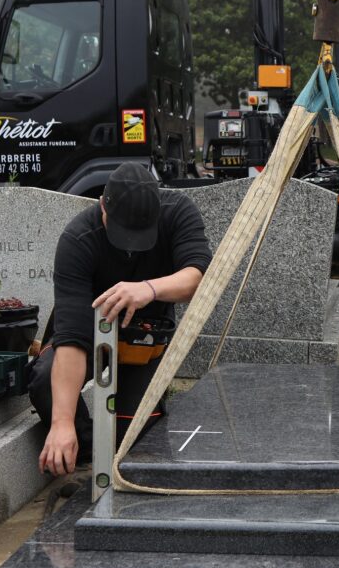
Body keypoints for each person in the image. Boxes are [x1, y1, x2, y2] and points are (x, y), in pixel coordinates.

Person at [31, 162, 212, 476]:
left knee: (134, 440)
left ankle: (116, 449)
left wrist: (148, 289)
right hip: (88, 334)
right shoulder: (78, 239)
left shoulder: (178, 211)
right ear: (102, 205)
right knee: (47, 379)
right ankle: (84, 451)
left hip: (144, 341)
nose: (130, 244)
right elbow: (72, 338)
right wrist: (62, 424)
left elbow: (201, 277)